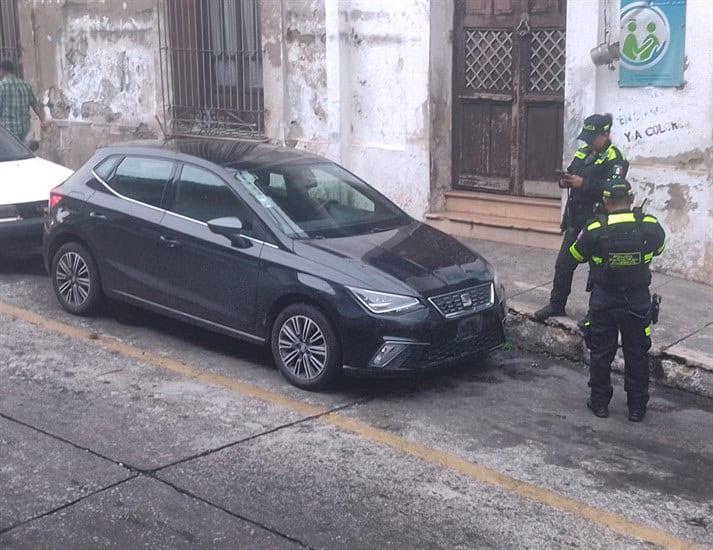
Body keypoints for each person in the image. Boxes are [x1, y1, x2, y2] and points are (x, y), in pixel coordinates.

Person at [568, 177, 665, 422]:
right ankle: (637, 408)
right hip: (637, 301)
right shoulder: (650, 226)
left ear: (605, 201)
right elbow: (659, 248)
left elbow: (575, 254)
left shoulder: (594, 229)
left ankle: (600, 404)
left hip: (604, 300)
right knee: (637, 353)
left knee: (601, 353)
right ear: (631, 200)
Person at [535, 114, 627, 321]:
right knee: (563, 265)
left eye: (591, 138)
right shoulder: (583, 152)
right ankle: (556, 305)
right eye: (585, 138)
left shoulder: (615, 158)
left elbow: (614, 189)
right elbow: (571, 172)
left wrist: (583, 184)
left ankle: (595, 314)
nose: (587, 142)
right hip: (576, 220)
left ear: (605, 134)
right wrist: (565, 181)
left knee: (598, 271)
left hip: (598, 221)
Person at [0, 60, 45, 142]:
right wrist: (43, 120)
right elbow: (36, 106)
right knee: (21, 152)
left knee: (10, 153)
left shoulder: (2, 86)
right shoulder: (25, 85)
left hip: (8, 129)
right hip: (24, 129)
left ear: (2, 70)